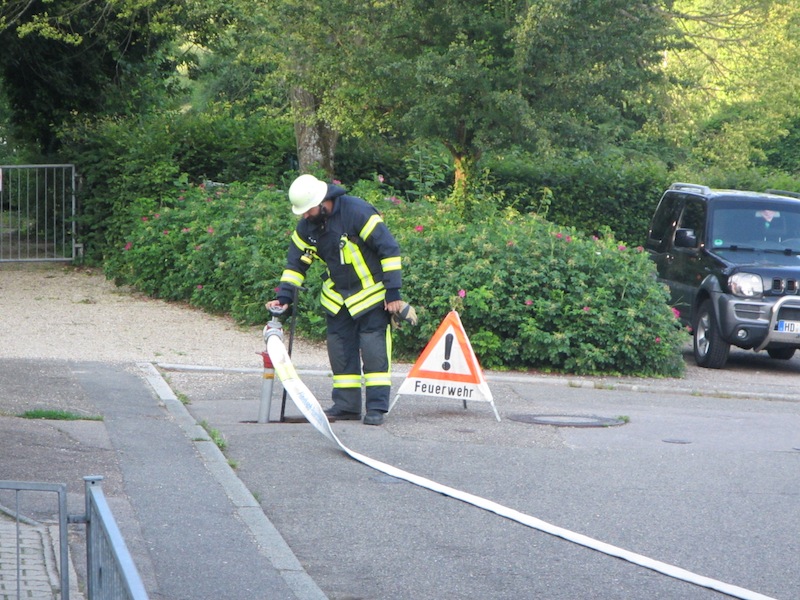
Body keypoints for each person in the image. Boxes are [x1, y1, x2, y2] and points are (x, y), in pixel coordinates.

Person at [267, 174, 415, 426]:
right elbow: (296, 264)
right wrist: (284, 297)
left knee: (374, 351)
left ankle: (376, 408)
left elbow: (389, 249)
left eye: (308, 210)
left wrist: (393, 293)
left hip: (371, 295)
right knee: (340, 352)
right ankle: (347, 406)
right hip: (336, 299)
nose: (305, 216)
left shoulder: (357, 212)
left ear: (322, 202)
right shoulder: (307, 227)